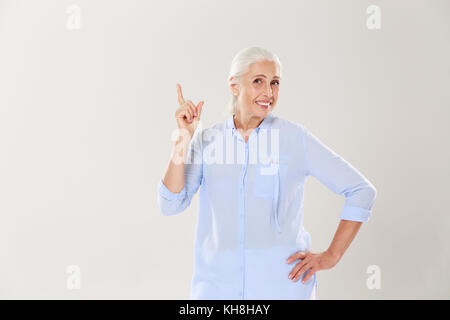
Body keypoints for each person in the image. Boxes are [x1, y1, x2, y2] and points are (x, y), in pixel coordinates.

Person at [157, 46, 377, 300]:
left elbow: (361, 191)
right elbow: (170, 204)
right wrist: (184, 137)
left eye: (274, 83)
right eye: (258, 81)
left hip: (283, 288)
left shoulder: (295, 139)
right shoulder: (208, 141)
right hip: (216, 292)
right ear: (234, 86)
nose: (268, 92)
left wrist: (332, 256)